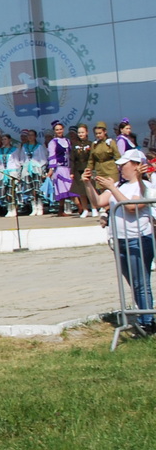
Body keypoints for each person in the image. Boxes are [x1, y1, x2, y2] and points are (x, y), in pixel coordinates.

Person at [88, 148, 156, 337]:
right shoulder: (120, 184)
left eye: (124, 165)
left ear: (136, 166)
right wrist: (87, 184)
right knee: (133, 282)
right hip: (121, 240)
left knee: (140, 282)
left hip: (138, 239)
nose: (120, 169)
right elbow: (98, 202)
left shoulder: (144, 186)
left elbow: (134, 207)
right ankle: (144, 318)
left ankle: (148, 322)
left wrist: (112, 188)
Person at [87, 122, 121, 216]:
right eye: (96, 133)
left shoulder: (110, 142)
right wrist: (88, 169)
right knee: (102, 190)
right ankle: (107, 211)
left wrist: (121, 167)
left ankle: (113, 210)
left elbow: (117, 156)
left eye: (100, 133)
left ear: (105, 132)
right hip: (100, 168)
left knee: (112, 189)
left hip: (110, 168)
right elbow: (91, 159)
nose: (98, 135)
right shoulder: (94, 144)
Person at [46, 121, 75, 215]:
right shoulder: (53, 142)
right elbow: (52, 156)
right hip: (59, 168)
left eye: (60, 129)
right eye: (57, 130)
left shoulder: (67, 141)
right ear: (54, 131)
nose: (59, 131)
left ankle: (62, 210)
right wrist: (51, 170)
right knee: (64, 189)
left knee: (70, 188)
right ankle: (79, 208)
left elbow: (70, 154)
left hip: (68, 167)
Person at [69, 123, 94, 219]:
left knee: (90, 190)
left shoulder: (91, 144)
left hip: (88, 169)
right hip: (78, 170)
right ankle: (85, 209)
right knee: (81, 192)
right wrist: (72, 172)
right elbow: (72, 160)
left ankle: (94, 207)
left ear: (86, 132)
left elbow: (92, 158)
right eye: (79, 132)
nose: (80, 134)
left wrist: (91, 169)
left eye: (82, 132)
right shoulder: (75, 145)